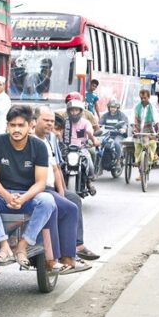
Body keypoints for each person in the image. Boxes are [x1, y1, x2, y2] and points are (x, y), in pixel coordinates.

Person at [0, 105, 58, 270]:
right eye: (12, 125)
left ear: (30, 126)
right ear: (7, 126)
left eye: (21, 125)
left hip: (26, 197)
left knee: (48, 200)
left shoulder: (39, 146)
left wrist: (23, 198)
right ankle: (3, 245)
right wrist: (7, 196)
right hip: (2, 195)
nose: (16, 129)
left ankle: (22, 246)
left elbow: (41, 182)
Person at [32, 106, 96, 271]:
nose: (49, 124)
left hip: (52, 186)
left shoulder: (49, 139)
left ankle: (77, 246)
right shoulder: (33, 140)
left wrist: (62, 193)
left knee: (73, 198)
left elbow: (56, 167)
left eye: (51, 121)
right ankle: (66, 258)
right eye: (45, 120)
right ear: (34, 121)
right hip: (40, 189)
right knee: (68, 207)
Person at [62, 98, 98, 195]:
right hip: (66, 149)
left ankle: (89, 182)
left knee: (89, 164)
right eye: (72, 110)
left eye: (76, 110)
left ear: (80, 111)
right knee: (58, 165)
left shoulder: (85, 122)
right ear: (69, 111)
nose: (74, 112)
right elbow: (58, 133)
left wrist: (93, 139)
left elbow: (89, 132)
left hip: (81, 149)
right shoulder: (65, 122)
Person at [133, 89, 159, 180]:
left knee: (151, 144)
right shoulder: (137, 107)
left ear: (148, 97)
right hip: (139, 133)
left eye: (145, 98)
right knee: (137, 150)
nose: (143, 99)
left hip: (149, 132)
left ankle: (153, 155)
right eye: (141, 98)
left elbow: (156, 120)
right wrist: (134, 128)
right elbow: (134, 119)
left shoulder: (152, 108)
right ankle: (141, 173)